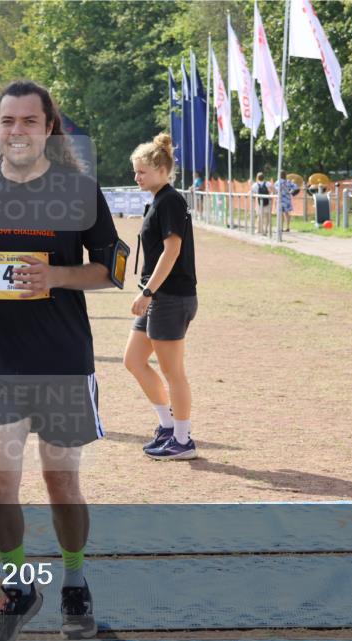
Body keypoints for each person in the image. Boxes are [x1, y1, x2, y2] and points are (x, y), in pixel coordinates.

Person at [0, 80, 121, 641]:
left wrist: (58, 276)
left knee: (60, 481)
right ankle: (16, 587)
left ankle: (74, 582)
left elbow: (114, 268)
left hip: (64, 358)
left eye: (28, 121)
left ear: (48, 128)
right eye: (7, 121)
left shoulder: (80, 192)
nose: (17, 131)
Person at [124, 133, 198, 461]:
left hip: (169, 296)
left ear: (163, 171)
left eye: (142, 172)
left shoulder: (170, 200)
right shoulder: (157, 200)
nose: (136, 177)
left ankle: (183, 441)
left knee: (173, 372)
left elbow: (172, 250)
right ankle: (168, 427)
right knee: (133, 360)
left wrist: (148, 292)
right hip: (157, 296)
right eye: (135, 171)